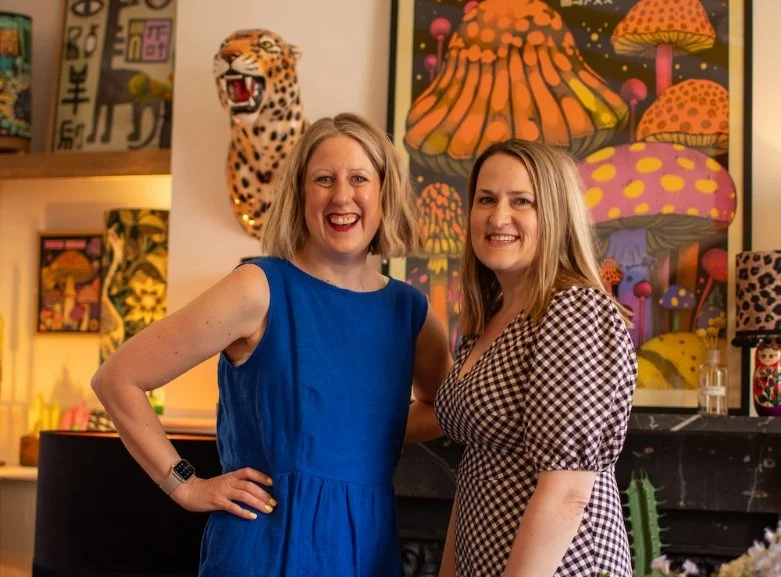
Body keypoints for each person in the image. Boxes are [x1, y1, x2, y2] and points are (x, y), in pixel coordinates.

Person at [91, 112, 452, 577]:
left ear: (384, 193)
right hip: (265, 549)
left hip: (366, 548)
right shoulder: (257, 288)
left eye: (359, 178)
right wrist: (185, 485)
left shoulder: (411, 312)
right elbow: (116, 378)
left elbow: (442, 408)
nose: (342, 196)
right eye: (324, 179)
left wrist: (362, 431)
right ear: (301, 194)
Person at [434, 139, 636, 577]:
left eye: (521, 201)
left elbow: (568, 492)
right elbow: (475, 471)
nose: (497, 217)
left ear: (556, 215)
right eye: (486, 199)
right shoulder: (488, 321)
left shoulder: (574, 311)